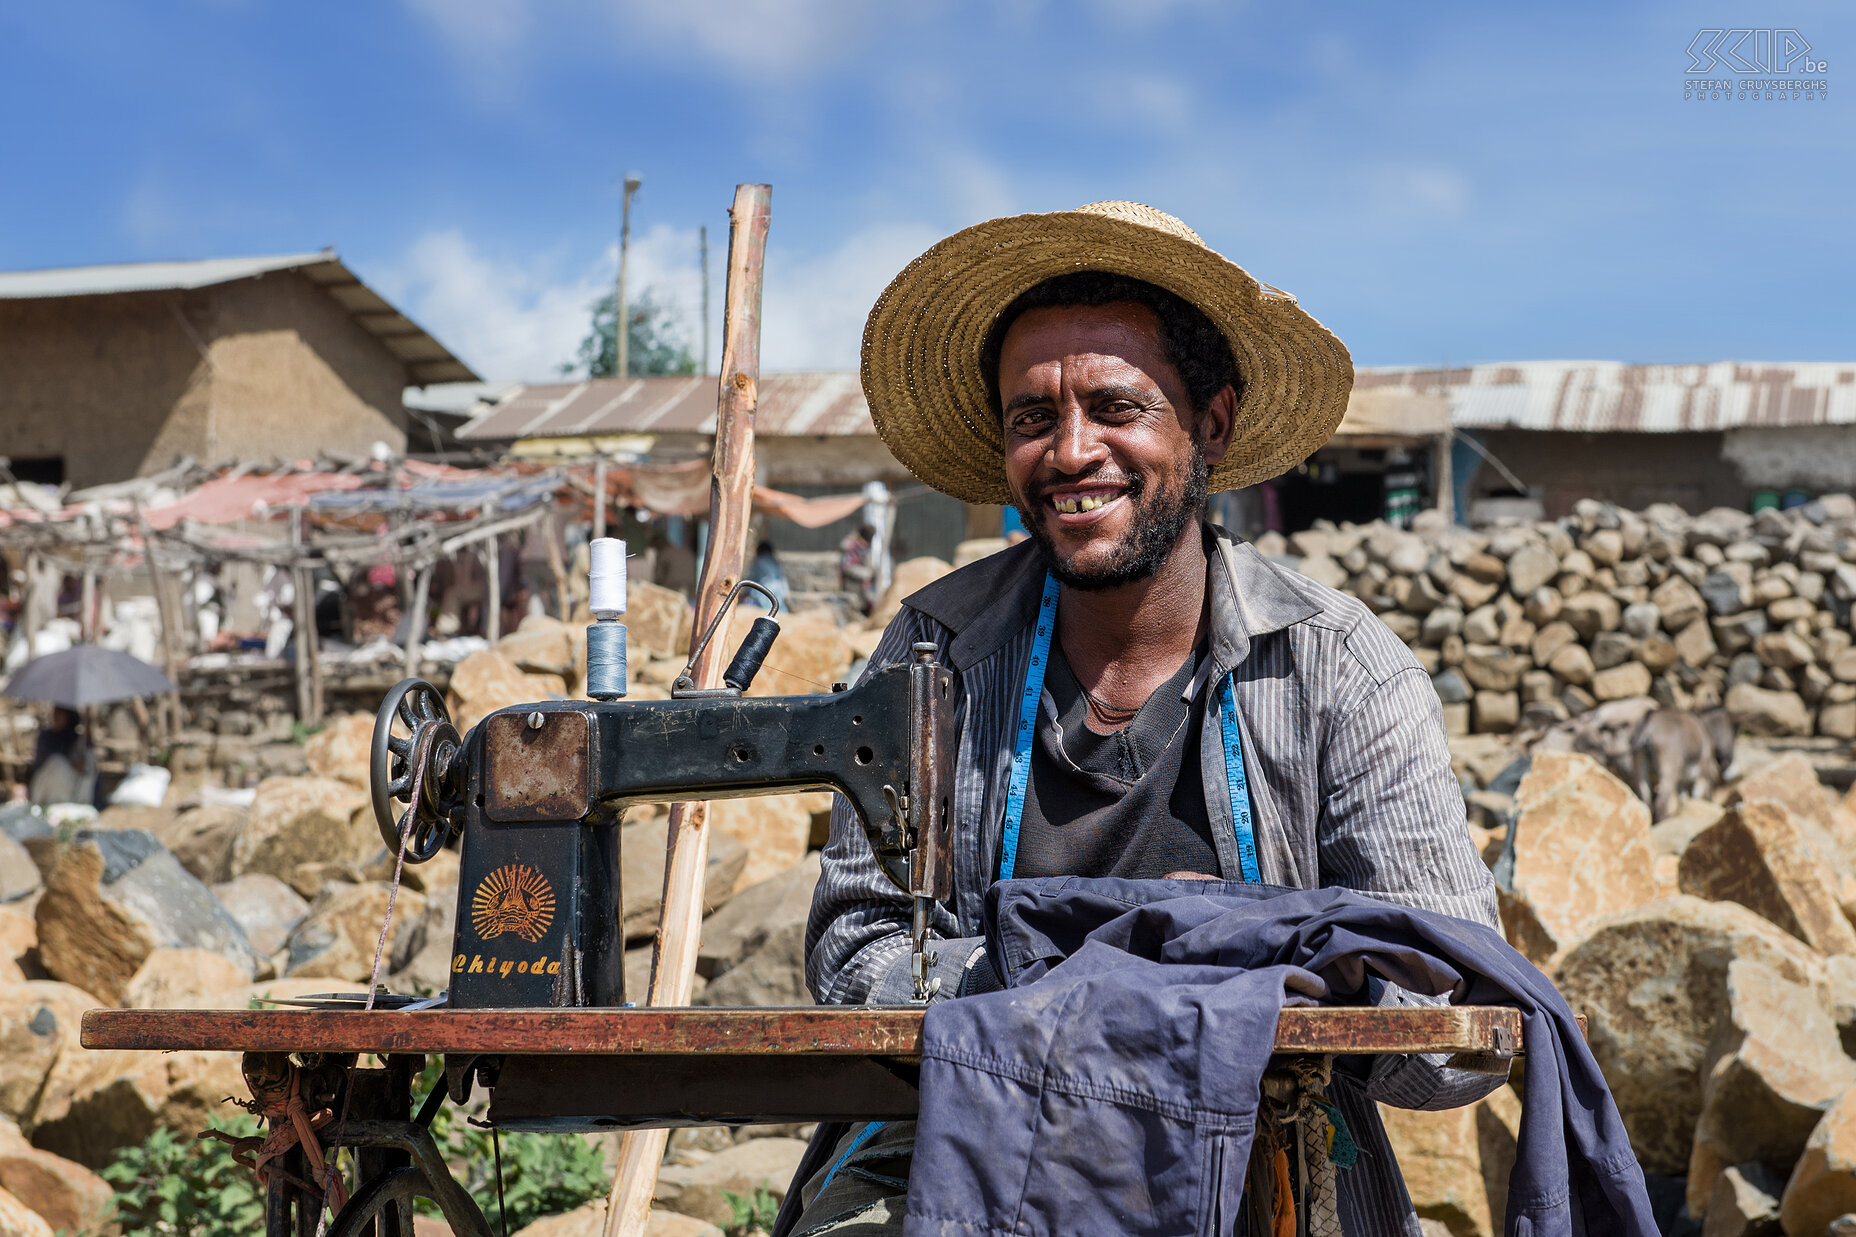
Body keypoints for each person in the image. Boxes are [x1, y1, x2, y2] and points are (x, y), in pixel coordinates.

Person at [791, 202, 1500, 1235]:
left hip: (1259, 1146)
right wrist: (1094, 967)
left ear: (1206, 426)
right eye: (1032, 418)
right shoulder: (933, 654)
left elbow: (1453, 1032)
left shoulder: (1337, 669)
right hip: (963, 1140)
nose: (1071, 451)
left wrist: (1255, 973)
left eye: (1116, 408)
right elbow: (851, 952)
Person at [744, 538, 792, 612]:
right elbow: (782, 580)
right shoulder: (775, 562)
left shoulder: (759, 562)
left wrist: (745, 592)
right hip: (778, 593)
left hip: (763, 592)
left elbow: (751, 579)